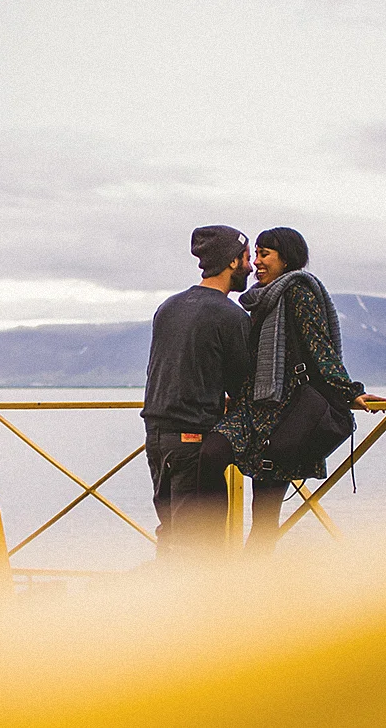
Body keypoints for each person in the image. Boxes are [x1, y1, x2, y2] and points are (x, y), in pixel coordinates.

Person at [213, 226, 384, 553]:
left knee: (264, 514)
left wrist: (351, 392)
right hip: (253, 410)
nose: (256, 262)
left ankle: (248, 577)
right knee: (211, 454)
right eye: (255, 254)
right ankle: (211, 553)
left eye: (264, 254)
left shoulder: (298, 293)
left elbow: (320, 347)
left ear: (286, 258)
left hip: (284, 414)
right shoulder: (261, 299)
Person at [140, 225, 253, 558]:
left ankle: (165, 590)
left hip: (157, 437)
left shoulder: (168, 307)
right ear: (232, 261)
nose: (250, 266)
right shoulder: (231, 316)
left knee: (173, 534)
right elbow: (243, 384)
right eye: (246, 258)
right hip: (193, 440)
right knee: (201, 546)